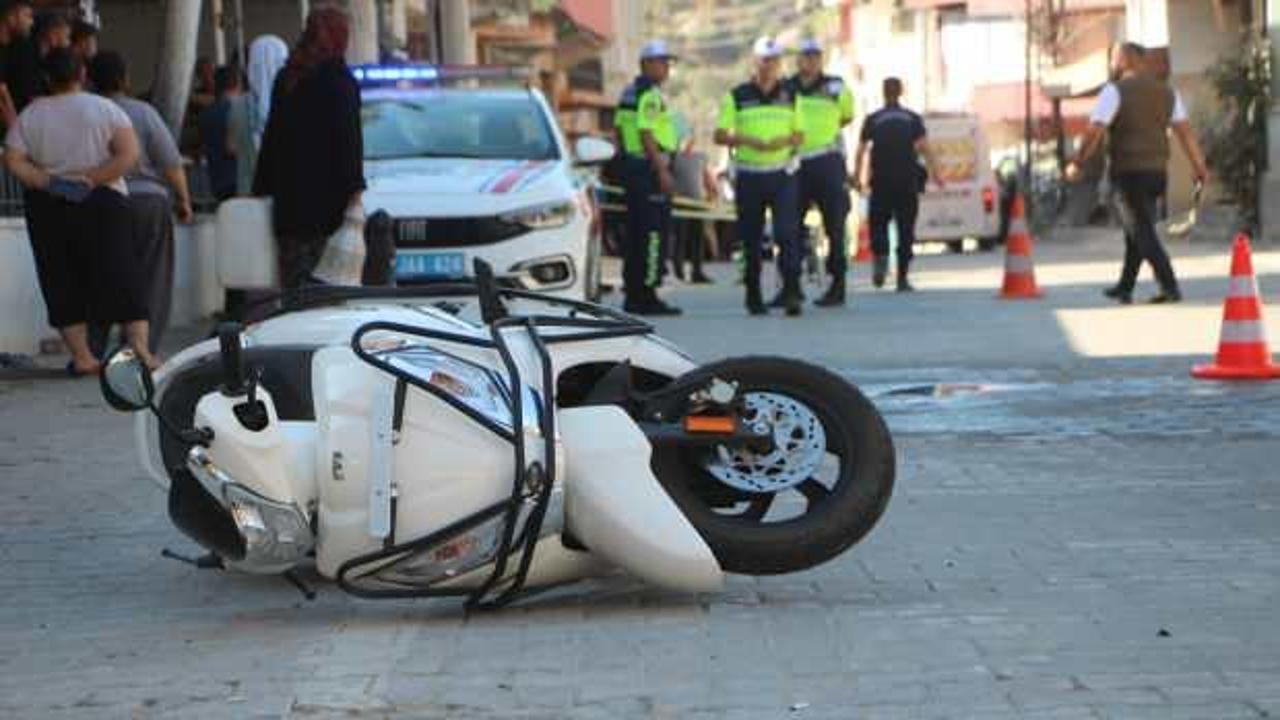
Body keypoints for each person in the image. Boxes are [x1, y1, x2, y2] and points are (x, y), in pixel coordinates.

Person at [4, 48, 152, 374]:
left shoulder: (32, 114)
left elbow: (13, 158)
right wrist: (92, 178)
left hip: (49, 204)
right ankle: (140, 348)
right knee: (122, 270)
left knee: (60, 276)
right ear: (82, 75)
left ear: (46, 78)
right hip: (104, 199)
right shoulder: (104, 108)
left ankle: (84, 357)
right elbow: (128, 154)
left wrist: (44, 180)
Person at [1066, 42, 1209, 304]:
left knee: (1141, 230)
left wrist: (1078, 161)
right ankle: (1125, 286)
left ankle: (1169, 285)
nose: (1111, 65)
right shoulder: (1167, 93)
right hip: (1157, 173)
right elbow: (1185, 133)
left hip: (1129, 172)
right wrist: (1199, 166)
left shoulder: (1114, 91)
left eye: (1113, 59)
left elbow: (1095, 130)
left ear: (1123, 60)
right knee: (1138, 227)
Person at [88, 50, 193, 358]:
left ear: (90, 79)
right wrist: (184, 199)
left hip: (101, 200)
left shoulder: (89, 113)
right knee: (153, 275)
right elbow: (171, 162)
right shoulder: (143, 112)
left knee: (102, 272)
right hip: (148, 202)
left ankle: (94, 344)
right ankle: (141, 347)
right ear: (125, 78)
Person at [253, 5, 365, 290]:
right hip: (328, 212)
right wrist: (355, 191)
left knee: (293, 290)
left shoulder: (288, 78)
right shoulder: (341, 83)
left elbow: (272, 140)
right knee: (327, 293)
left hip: (289, 209)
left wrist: (262, 189)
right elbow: (349, 144)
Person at [714, 37, 804, 316]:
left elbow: (800, 135)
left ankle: (791, 292)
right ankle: (753, 295)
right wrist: (747, 140)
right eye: (765, 60)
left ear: (780, 63)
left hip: (782, 174)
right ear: (755, 62)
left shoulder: (791, 95)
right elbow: (719, 134)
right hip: (750, 175)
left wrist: (779, 143)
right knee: (751, 238)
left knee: (788, 234)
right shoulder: (737, 95)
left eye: (775, 60)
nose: (769, 65)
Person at [852, 77, 943, 292]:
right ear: (901, 92)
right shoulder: (912, 119)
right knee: (905, 229)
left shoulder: (873, 119)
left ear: (883, 93)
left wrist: (857, 177)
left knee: (878, 224)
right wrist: (936, 174)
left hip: (881, 181)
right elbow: (925, 148)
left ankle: (881, 259)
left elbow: (861, 150)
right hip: (907, 181)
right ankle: (902, 277)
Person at [613, 39, 682, 315]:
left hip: (633, 169)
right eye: (662, 62)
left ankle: (634, 294)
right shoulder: (649, 95)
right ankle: (649, 295)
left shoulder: (629, 92)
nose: (667, 67)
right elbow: (646, 132)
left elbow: (619, 131)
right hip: (650, 171)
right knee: (654, 235)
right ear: (647, 64)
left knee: (636, 236)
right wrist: (662, 171)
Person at [788, 38, 854, 307]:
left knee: (835, 226)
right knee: (790, 226)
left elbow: (846, 116)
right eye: (807, 56)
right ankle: (793, 284)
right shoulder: (787, 87)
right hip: (795, 162)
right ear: (798, 60)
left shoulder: (835, 85)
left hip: (827, 161)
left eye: (816, 56)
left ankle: (837, 285)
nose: (811, 61)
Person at [229, 35, 288, 196]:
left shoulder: (238, 105)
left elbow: (232, 147)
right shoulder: (297, 104)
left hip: (250, 195)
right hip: (290, 197)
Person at [5, 10, 69, 112]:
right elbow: (29, 95)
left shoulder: (50, 57)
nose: (68, 42)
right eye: (66, 36)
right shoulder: (25, 51)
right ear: (52, 33)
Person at [199, 65, 241, 202]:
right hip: (240, 180)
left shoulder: (206, 114)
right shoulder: (240, 110)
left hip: (218, 182)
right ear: (238, 83)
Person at [0, 0, 34, 129]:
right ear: (11, 17)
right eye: (27, 16)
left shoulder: (18, 47)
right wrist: (14, 126)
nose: (31, 22)